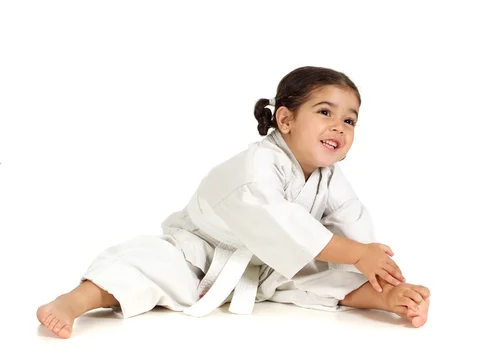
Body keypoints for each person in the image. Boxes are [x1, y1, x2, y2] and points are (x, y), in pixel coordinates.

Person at [37, 66, 431, 339]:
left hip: (267, 265)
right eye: (325, 112)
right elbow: (284, 224)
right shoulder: (257, 166)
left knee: (325, 273)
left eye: (350, 121)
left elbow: (353, 224)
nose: (338, 127)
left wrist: (376, 266)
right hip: (204, 250)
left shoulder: (330, 177)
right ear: (286, 120)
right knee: (150, 265)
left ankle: (387, 300)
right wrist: (357, 252)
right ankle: (76, 301)